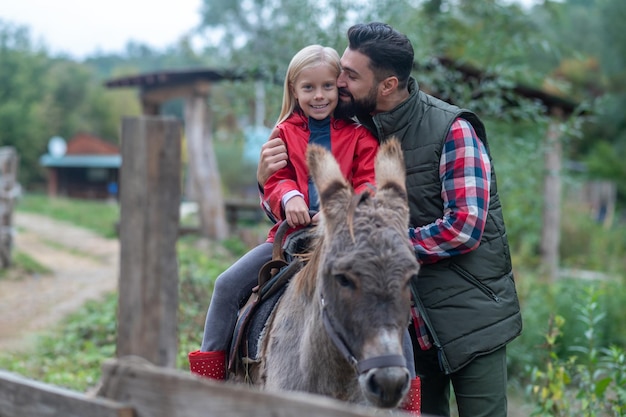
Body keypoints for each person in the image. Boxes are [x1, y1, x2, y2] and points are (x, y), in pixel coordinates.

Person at [257, 22, 523, 417]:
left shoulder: (453, 131)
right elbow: (310, 203)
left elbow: (464, 227)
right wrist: (269, 188)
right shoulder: (352, 124)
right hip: (399, 317)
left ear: (386, 85)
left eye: (349, 75)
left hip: (467, 319)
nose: (338, 82)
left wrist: (371, 250)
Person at [189, 45, 423, 413]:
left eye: (328, 86)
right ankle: (207, 386)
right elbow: (276, 179)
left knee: (388, 300)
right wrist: (290, 198)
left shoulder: (360, 136)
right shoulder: (282, 133)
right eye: (309, 88)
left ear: (339, 89)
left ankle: (408, 403)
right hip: (291, 242)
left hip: (346, 241)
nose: (319, 96)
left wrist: (340, 211)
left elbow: (368, 182)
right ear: (294, 90)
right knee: (226, 286)